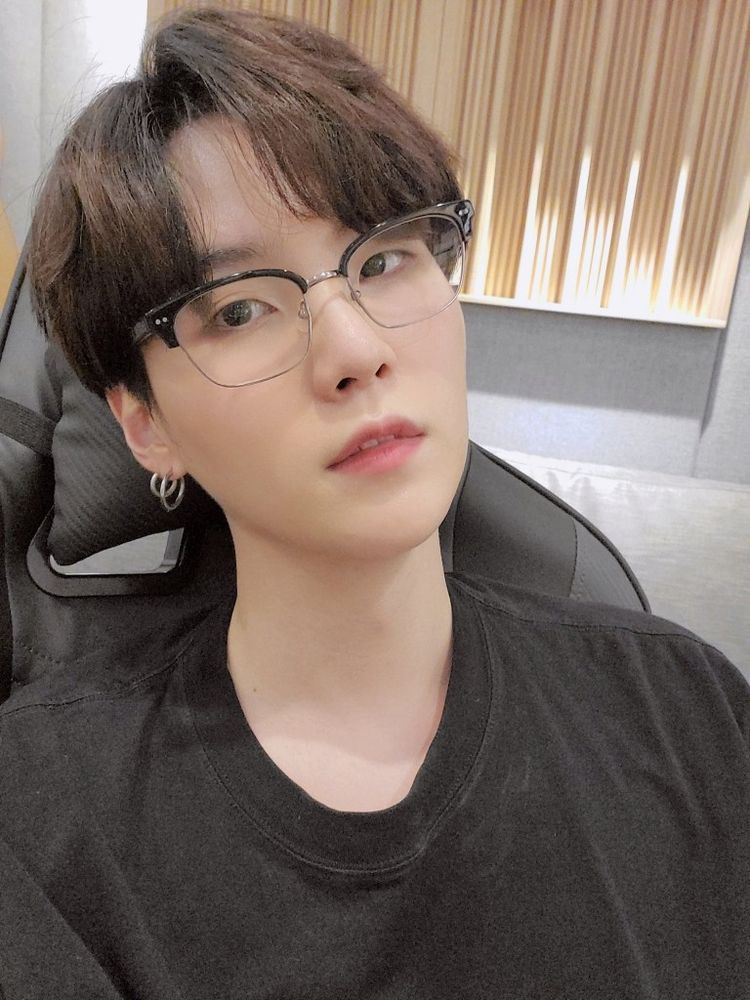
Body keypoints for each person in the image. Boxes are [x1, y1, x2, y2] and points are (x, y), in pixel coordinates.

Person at [0, 6, 748, 998]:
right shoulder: (43, 816)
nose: (355, 349)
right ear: (145, 424)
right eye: (240, 309)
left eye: (386, 257)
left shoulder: (687, 712)